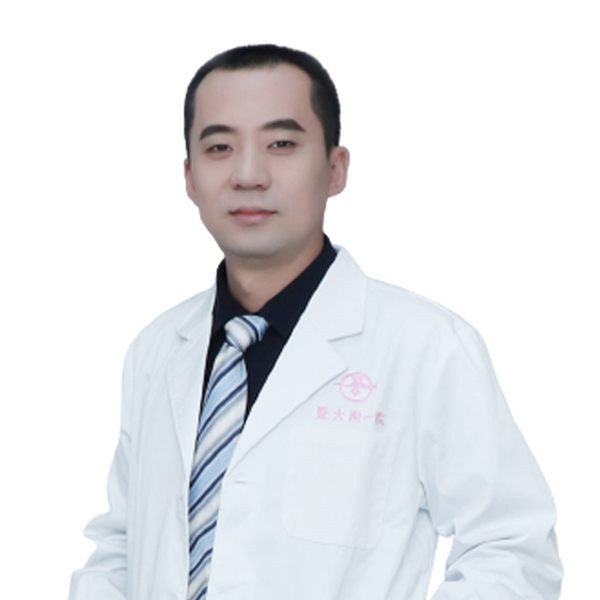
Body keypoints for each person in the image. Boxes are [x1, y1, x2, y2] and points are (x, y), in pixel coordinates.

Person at [69, 44, 562, 600]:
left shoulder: (427, 347)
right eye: (220, 147)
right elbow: (124, 545)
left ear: (335, 168)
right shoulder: (157, 349)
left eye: (281, 144)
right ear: (189, 176)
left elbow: (512, 547)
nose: (248, 174)